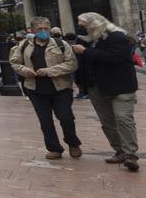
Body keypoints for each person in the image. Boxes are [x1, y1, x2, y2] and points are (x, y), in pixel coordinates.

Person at [74, 12, 140, 172]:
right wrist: (82, 84)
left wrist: (85, 51)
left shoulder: (117, 36)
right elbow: (81, 64)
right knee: (107, 121)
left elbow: (113, 58)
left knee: (123, 119)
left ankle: (131, 155)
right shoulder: (85, 41)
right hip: (96, 87)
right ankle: (120, 151)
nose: (81, 28)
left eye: (83, 24)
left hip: (121, 86)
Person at [11, 17, 81, 160]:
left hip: (61, 88)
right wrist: (25, 70)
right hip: (35, 89)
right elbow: (15, 62)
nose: (43, 31)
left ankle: (73, 143)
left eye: (46, 28)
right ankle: (54, 148)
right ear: (32, 30)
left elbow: (72, 64)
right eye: (40, 29)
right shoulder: (24, 45)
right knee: (45, 121)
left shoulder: (61, 44)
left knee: (66, 117)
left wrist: (49, 71)